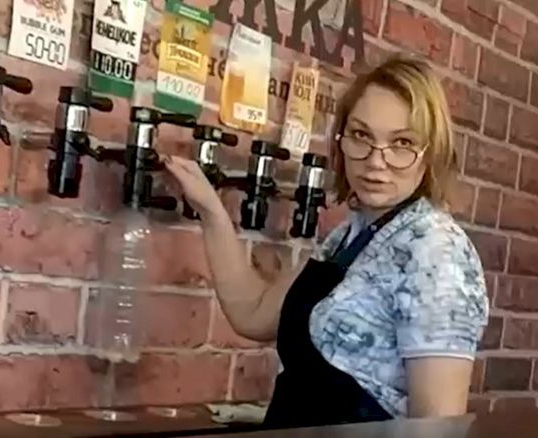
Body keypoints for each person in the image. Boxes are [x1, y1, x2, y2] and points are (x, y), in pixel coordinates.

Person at [163, 53, 489, 429]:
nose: (376, 161)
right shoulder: (348, 236)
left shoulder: (436, 252)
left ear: (430, 154)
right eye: (361, 136)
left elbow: (436, 428)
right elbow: (253, 313)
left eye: (402, 142)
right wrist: (211, 211)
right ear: (341, 140)